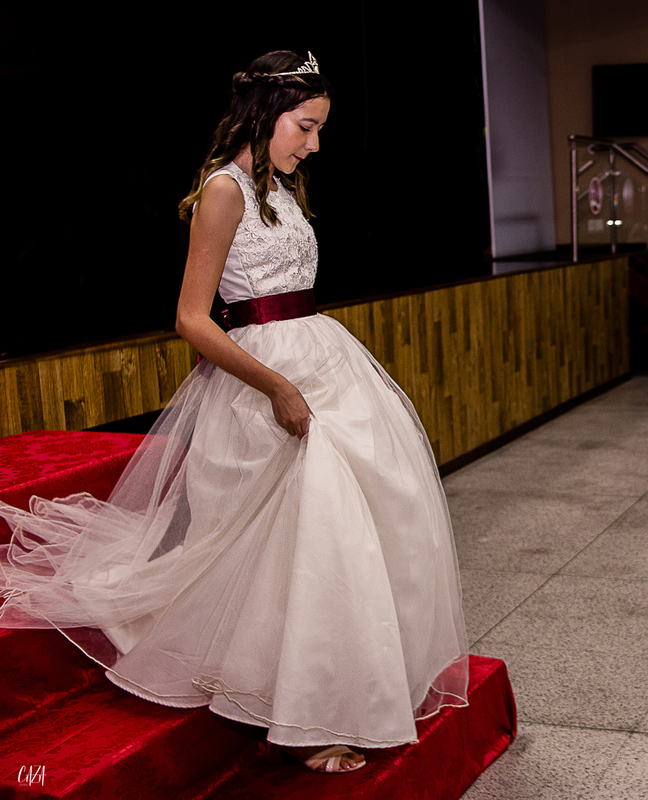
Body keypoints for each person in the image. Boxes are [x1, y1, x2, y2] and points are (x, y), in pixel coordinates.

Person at [0, 50, 469, 774]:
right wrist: (276, 387)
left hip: (322, 358)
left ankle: (358, 682)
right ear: (264, 113)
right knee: (318, 530)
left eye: (318, 130)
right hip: (261, 383)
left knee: (365, 525)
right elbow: (192, 317)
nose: (314, 144)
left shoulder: (284, 186)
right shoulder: (223, 191)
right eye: (305, 127)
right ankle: (307, 714)